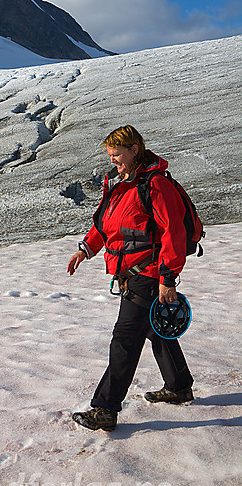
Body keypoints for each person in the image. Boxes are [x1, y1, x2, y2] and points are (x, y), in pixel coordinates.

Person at [67, 125, 194, 431]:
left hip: (149, 274)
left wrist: (167, 278)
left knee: (125, 338)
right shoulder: (123, 184)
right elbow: (108, 226)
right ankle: (179, 386)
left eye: (117, 155)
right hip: (131, 274)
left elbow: (172, 233)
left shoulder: (155, 185)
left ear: (135, 150)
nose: (114, 161)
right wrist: (85, 249)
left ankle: (105, 408)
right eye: (110, 156)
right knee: (153, 329)